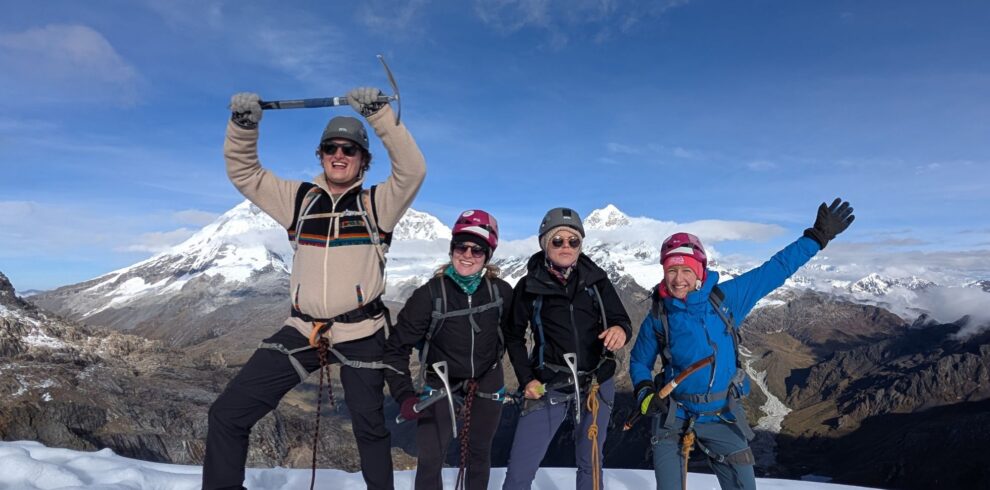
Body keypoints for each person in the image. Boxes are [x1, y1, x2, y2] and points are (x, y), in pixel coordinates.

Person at [203, 88, 426, 490]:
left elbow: (412, 170)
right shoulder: (299, 201)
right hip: (303, 330)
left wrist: (379, 115)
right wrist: (243, 125)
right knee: (228, 413)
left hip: (363, 332)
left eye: (350, 149)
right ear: (321, 155)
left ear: (363, 160)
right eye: (330, 148)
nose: (339, 155)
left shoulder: (378, 204)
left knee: (370, 430)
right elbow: (245, 173)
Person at [629, 198, 855, 490]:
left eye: (687, 270)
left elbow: (774, 270)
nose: (679, 278)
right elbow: (639, 362)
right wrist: (645, 392)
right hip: (673, 412)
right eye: (672, 270)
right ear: (663, 272)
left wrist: (817, 237)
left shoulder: (725, 299)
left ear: (700, 272)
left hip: (720, 413)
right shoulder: (659, 316)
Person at [502, 207, 632, 490]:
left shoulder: (596, 281)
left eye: (573, 241)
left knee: (591, 462)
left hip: (597, 382)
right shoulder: (529, 287)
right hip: (549, 384)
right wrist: (527, 379)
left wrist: (620, 331)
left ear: (581, 245)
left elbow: (622, 320)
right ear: (544, 243)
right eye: (557, 240)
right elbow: (513, 336)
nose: (566, 247)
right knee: (521, 469)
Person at [383, 209, 513, 490]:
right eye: (460, 246)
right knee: (430, 460)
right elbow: (396, 348)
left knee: (479, 455)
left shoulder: (501, 293)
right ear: (451, 248)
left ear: (487, 256)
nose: (467, 254)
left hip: (487, 381)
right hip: (439, 383)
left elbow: (514, 336)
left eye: (477, 250)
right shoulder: (429, 295)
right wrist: (404, 394)